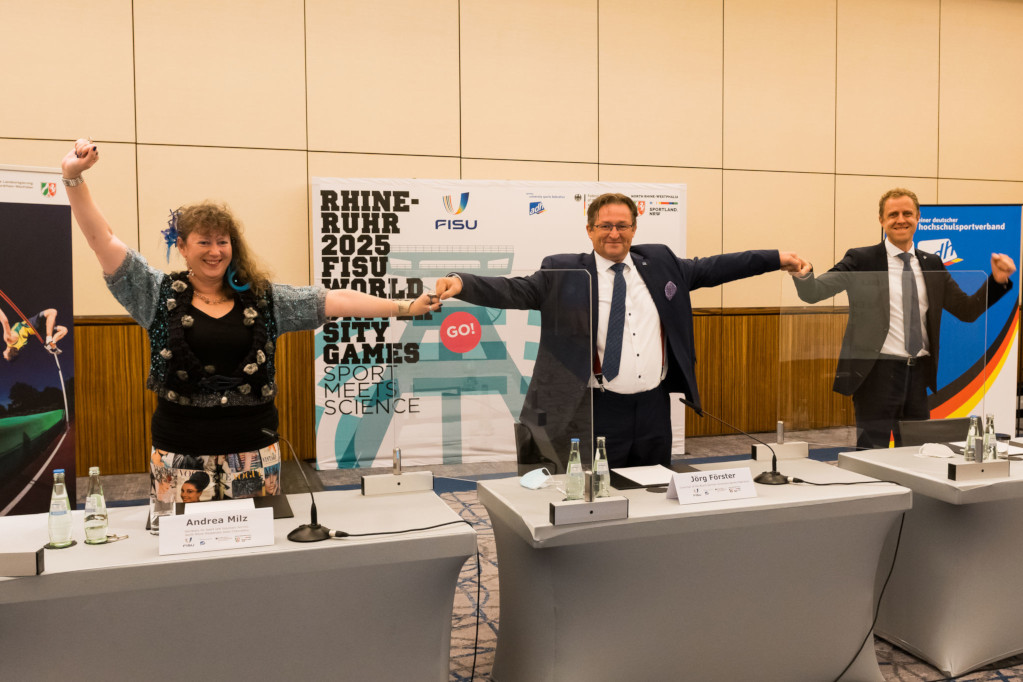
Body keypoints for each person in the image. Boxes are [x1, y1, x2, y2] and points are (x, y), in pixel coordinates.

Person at [61, 139, 440, 526]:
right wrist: (73, 178)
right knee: (179, 548)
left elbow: (335, 300)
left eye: (222, 241)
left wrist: (405, 307)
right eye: (204, 241)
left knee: (257, 547)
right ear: (183, 247)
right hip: (179, 453)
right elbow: (102, 239)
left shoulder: (265, 299)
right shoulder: (155, 295)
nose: (215, 251)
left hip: (255, 454)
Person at [434, 192, 808, 470]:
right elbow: (515, 290)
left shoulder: (661, 262)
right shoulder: (565, 271)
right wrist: (461, 283)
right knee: (600, 491)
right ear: (589, 230)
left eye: (622, 226)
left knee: (655, 487)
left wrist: (776, 259)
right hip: (597, 409)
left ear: (634, 229)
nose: (614, 233)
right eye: (605, 226)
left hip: (653, 408)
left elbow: (716, 267)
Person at [791, 187, 1016, 449]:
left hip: (918, 375)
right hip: (876, 375)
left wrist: (997, 281)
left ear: (918, 217)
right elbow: (815, 292)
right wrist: (804, 276)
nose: (901, 220)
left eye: (907, 213)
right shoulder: (861, 259)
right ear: (881, 220)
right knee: (872, 453)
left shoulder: (932, 263)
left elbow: (967, 310)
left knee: (916, 453)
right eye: (893, 214)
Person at [1, 307, 67, 361]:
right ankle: (49, 339)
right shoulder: (8, 339)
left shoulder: (18, 347)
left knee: (64, 330)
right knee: (52, 311)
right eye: (5, 358)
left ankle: (51, 343)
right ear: (9, 353)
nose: (4, 357)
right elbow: (5, 321)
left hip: (36, 330)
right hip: (32, 325)